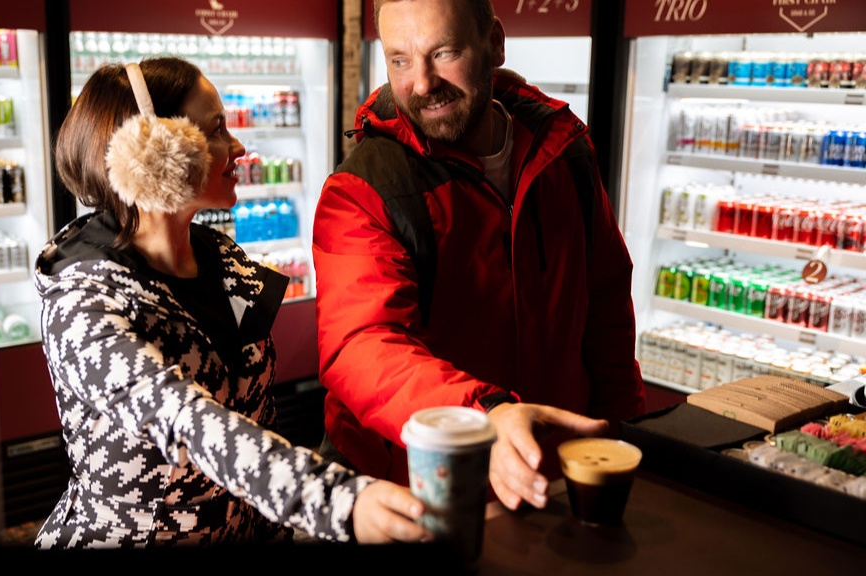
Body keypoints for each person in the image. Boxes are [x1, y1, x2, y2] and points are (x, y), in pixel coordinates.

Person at [32, 56, 433, 549]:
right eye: (216, 129)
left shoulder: (221, 258)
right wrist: (340, 501)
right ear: (153, 149)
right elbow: (192, 423)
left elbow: (257, 420)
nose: (238, 147)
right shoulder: (83, 299)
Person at [312, 0, 647, 513]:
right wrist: (480, 415)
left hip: (551, 481)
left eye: (443, 52)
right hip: (420, 490)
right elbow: (361, 345)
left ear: (494, 43)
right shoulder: (365, 187)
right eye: (400, 60)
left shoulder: (564, 151)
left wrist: (624, 431)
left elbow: (604, 305)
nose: (421, 83)